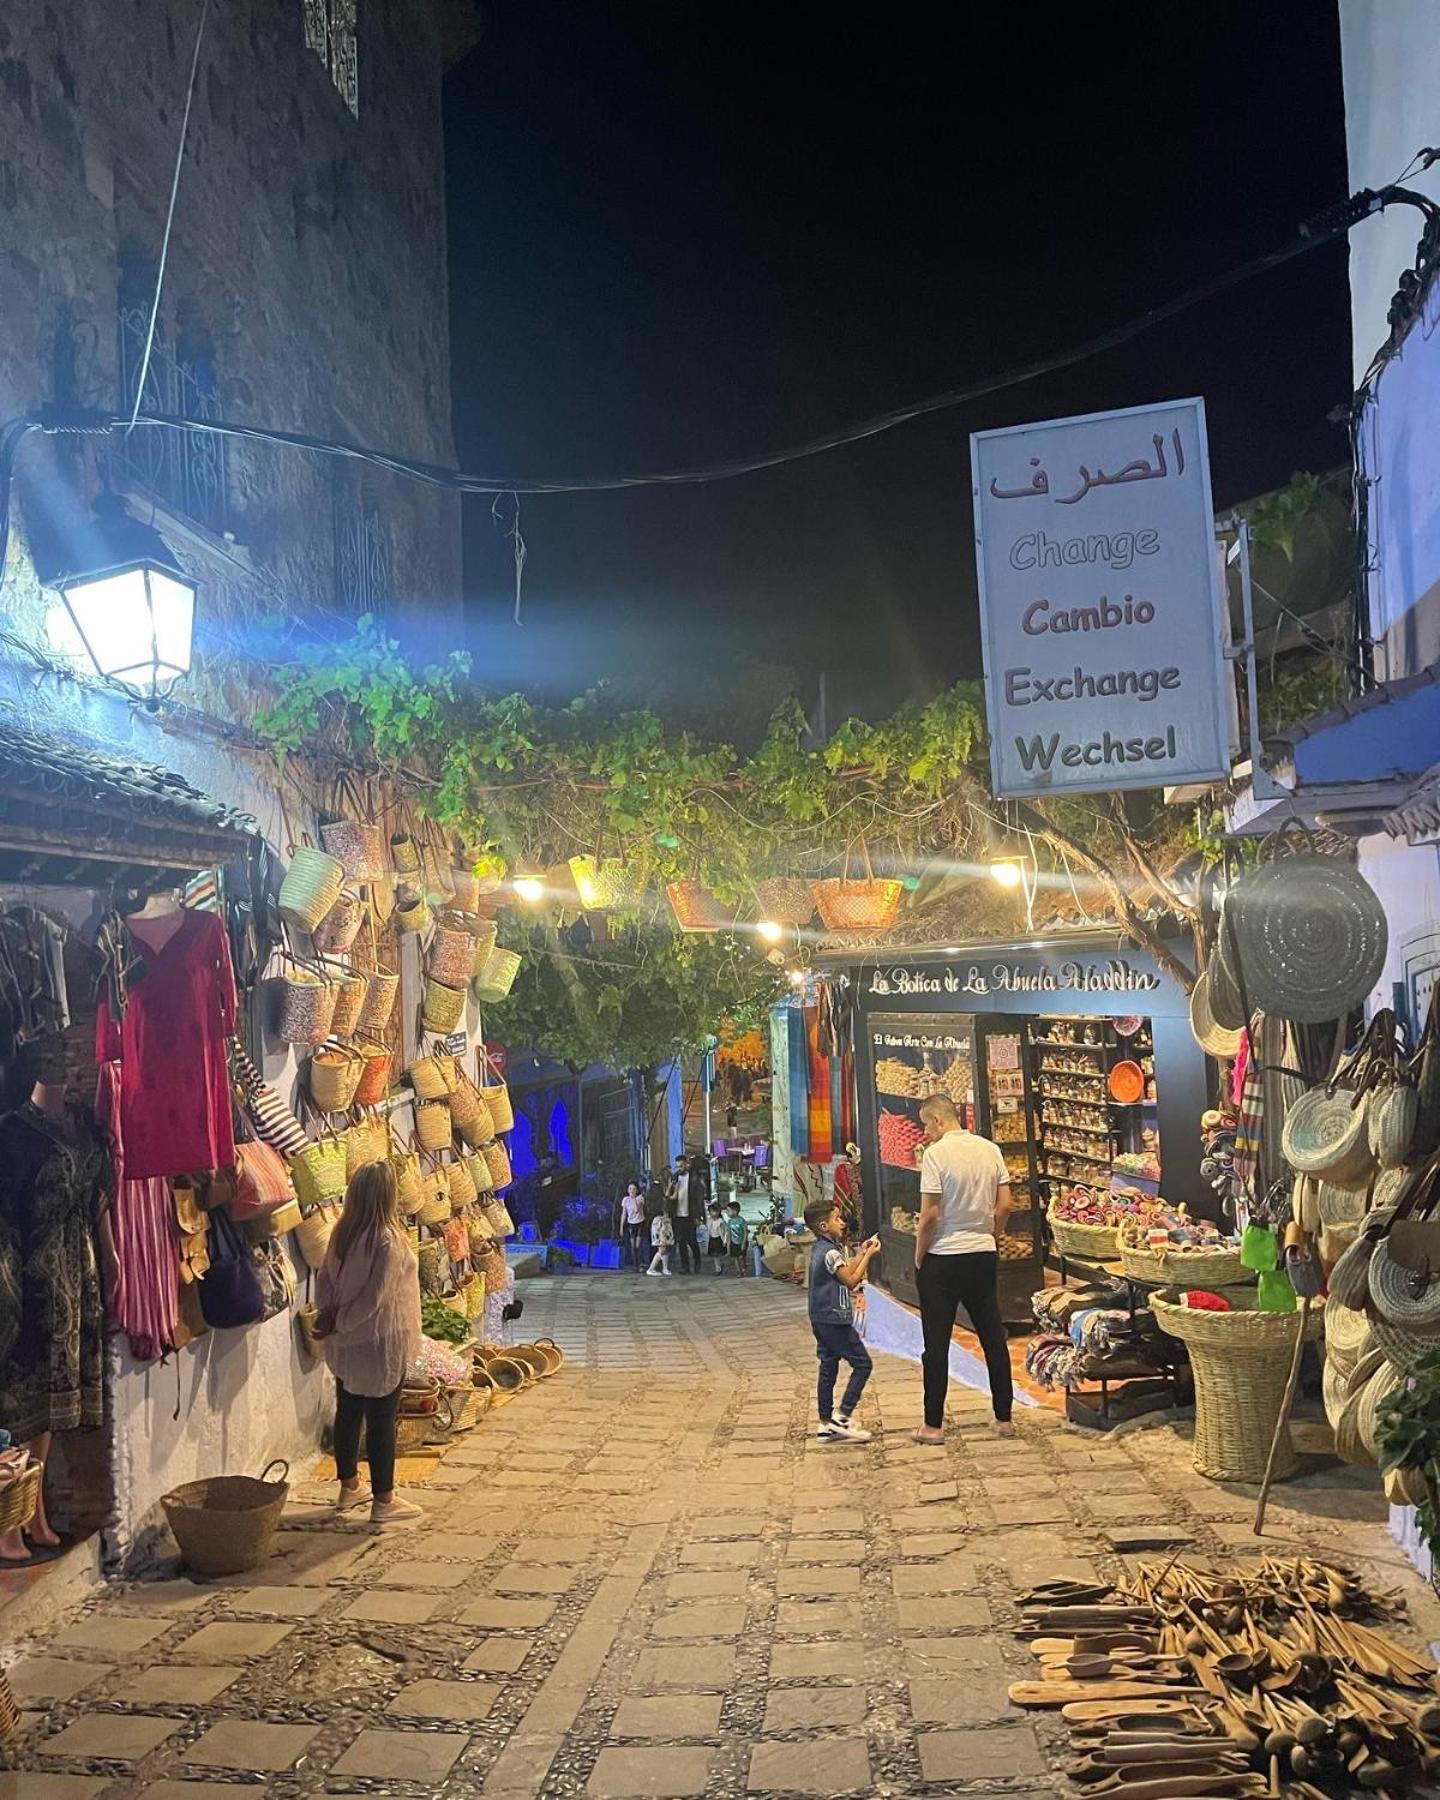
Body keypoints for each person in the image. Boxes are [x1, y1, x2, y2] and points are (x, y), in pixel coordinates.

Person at [312, 1160, 424, 1525]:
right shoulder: (388, 1240)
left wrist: (331, 1318)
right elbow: (377, 1297)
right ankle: (384, 1500)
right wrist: (343, 1321)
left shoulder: (341, 1232)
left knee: (348, 1411)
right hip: (379, 1340)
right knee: (381, 1418)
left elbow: (324, 1280)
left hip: (346, 1343)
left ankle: (349, 1486)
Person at [912, 1095, 1014, 1444]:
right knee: (992, 1337)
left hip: (943, 1255)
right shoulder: (990, 1150)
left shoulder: (936, 1156)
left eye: (927, 1124)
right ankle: (1004, 1418)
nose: (926, 1132)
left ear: (939, 1120)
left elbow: (929, 1215)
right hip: (982, 1253)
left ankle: (932, 1425)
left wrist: (919, 1254)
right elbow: (1004, 1206)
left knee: (936, 1343)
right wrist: (992, 1237)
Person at [804, 1197, 882, 1442]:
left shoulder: (822, 1250)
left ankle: (825, 1422)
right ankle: (843, 1416)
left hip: (820, 1317)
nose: (843, 1222)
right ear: (823, 1227)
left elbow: (846, 1270)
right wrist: (869, 1256)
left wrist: (861, 1252)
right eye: (836, 1219)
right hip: (834, 1319)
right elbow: (850, 1280)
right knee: (863, 1364)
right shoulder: (829, 1252)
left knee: (828, 1366)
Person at [671, 1154, 700, 1274]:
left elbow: (698, 1198)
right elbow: (670, 1195)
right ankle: (685, 1266)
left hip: (690, 1214)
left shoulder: (693, 1178)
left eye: (681, 1166)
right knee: (681, 1241)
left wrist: (699, 1216)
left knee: (692, 1240)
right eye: (677, 1166)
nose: (679, 1168)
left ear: (686, 1164)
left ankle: (697, 1261)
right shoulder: (675, 1177)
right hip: (677, 1215)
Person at [619, 1181, 647, 1272]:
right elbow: (624, 1213)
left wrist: (634, 1198)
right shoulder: (625, 1199)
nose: (631, 1190)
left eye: (634, 1189)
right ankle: (635, 1265)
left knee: (638, 1245)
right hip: (631, 1223)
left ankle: (641, 1264)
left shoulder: (640, 1198)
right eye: (630, 1189)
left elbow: (636, 1210)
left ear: (637, 1190)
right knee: (632, 1246)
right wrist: (621, 1227)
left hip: (640, 1222)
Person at [646, 1202, 675, 1276]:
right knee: (662, 1250)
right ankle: (651, 1269)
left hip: (664, 1230)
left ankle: (665, 1268)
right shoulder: (659, 1218)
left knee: (665, 1250)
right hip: (661, 1230)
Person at [723, 1199, 748, 1275]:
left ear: (735, 1211)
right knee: (735, 1257)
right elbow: (729, 1232)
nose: (727, 1213)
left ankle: (743, 1267)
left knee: (741, 1256)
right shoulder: (730, 1222)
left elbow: (745, 1232)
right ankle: (738, 1270)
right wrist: (728, 1242)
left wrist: (744, 1242)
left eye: (728, 1210)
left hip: (741, 1241)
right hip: (734, 1242)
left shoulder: (741, 1221)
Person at [704, 1201, 727, 1273]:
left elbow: (723, 1232)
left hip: (718, 1239)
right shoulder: (709, 1220)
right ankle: (718, 1267)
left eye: (715, 1211)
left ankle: (719, 1267)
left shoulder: (720, 1221)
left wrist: (724, 1241)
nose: (713, 1213)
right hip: (712, 1238)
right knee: (714, 1255)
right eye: (711, 1211)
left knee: (718, 1254)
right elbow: (707, 1229)